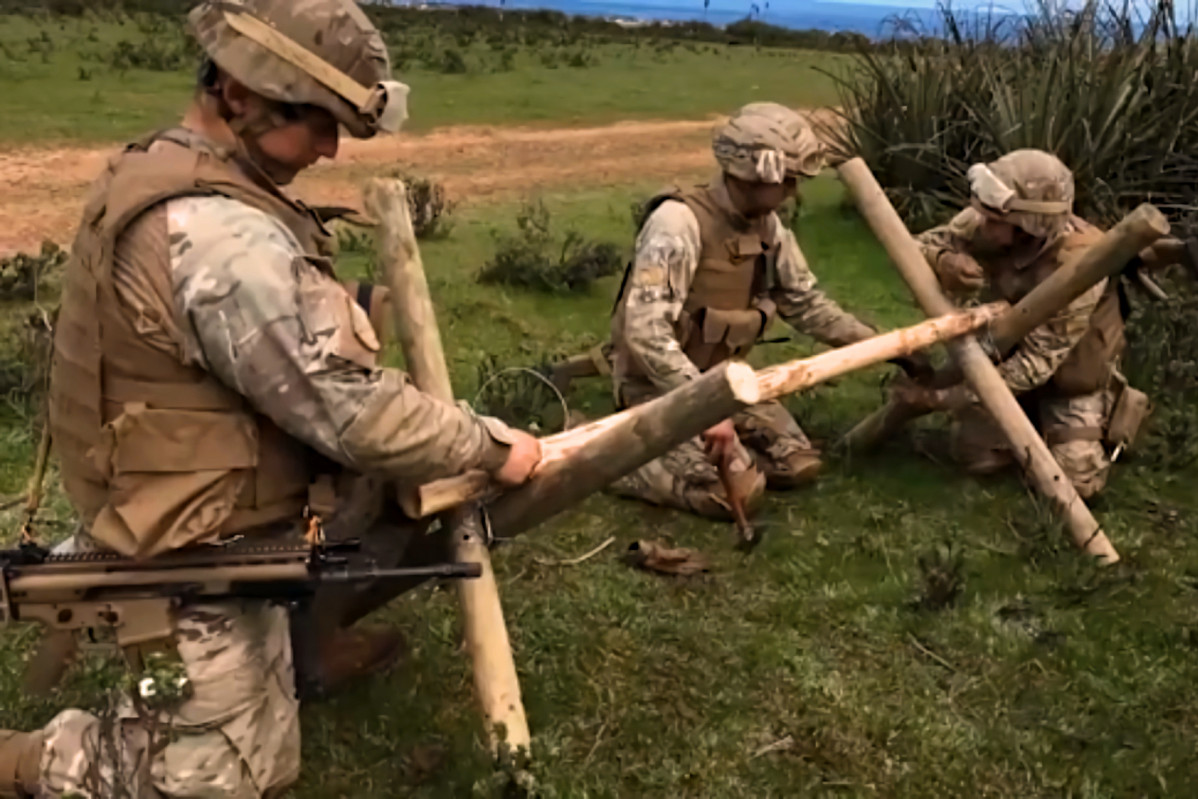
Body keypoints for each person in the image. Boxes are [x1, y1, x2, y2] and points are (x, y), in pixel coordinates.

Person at [0, 1, 541, 796]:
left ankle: (304, 646)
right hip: (185, 537)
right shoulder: (215, 232)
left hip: (225, 492)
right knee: (229, 781)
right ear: (237, 94)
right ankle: (23, 758)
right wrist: (493, 446)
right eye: (315, 121)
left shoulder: (173, 166)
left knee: (403, 494)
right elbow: (352, 409)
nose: (329, 147)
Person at [607, 102, 916, 519]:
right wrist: (702, 407)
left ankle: (725, 448)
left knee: (797, 464)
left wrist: (887, 347)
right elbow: (644, 333)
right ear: (754, 172)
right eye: (787, 180)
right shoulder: (677, 224)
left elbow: (807, 304)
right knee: (730, 494)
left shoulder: (769, 229)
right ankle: (611, 457)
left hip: (726, 385)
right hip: (660, 389)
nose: (793, 191)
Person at [905, 148, 1132, 498]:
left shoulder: (1082, 262)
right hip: (1002, 353)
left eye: (999, 223)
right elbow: (918, 244)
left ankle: (1090, 419)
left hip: (1068, 377)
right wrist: (945, 258)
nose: (985, 227)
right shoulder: (988, 217)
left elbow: (1039, 362)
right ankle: (1025, 423)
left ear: (1032, 223)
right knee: (974, 456)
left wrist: (944, 398)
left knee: (1075, 483)